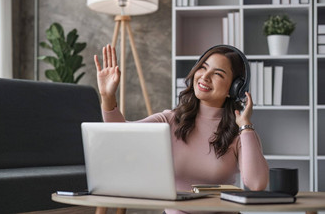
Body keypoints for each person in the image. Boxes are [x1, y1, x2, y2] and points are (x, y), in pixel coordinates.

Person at [94, 44, 269, 214]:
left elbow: (257, 184)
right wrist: (107, 97)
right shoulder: (170, 120)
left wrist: (246, 127)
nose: (205, 77)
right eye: (203, 68)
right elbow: (120, 135)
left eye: (218, 74)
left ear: (234, 88)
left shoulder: (241, 132)